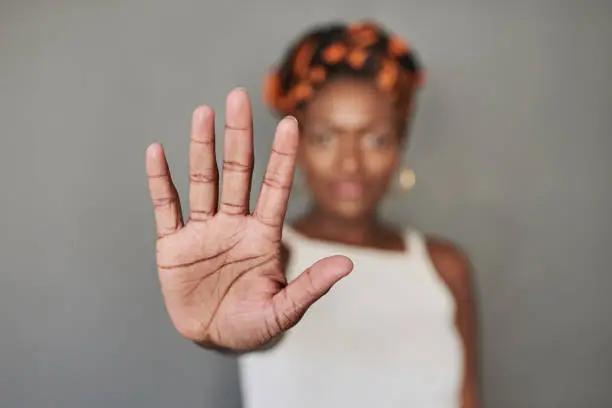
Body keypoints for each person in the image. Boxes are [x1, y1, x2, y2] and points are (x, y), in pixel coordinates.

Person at [145, 20, 478, 408]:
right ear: (297, 144)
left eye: (376, 139)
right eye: (325, 137)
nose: (350, 163)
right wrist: (216, 335)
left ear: (401, 144)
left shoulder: (445, 268)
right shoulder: (270, 259)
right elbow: (260, 322)